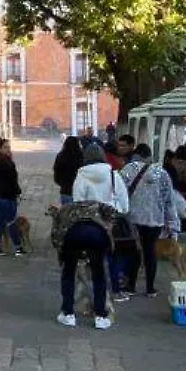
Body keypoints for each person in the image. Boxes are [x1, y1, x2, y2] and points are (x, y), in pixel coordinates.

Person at [52, 141, 124, 330]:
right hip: (101, 231)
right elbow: (124, 205)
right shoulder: (113, 176)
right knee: (99, 272)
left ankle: (68, 313)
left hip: (76, 230)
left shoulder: (81, 176)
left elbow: (77, 204)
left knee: (69, 271)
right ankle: (100, 315)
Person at [118, 144, 178, 297]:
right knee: (150, 251)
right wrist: (172, 224)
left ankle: (130, 286)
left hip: (132, 218)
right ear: (149, 156)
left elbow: (119, 193)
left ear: (135, 155)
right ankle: (150, 288)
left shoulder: (127, 170)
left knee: (134, 252)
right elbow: (169, 200)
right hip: (155, 219)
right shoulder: (161, 173)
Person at [0, 139, 26, 256]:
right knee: (11, 221)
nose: (8, 150)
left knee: (0, 220)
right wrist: (18, 192)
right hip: (7, 196)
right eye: (5, 147)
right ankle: (18, 247)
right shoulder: (5, 162)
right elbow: (12, 181)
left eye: (9, 147)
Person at [53, 136, 84, 205]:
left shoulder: (60, 156)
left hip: (65, 190)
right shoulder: (81, 156)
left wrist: (62, 183)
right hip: (80, 191)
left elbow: (56, 173)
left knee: (66, 213)